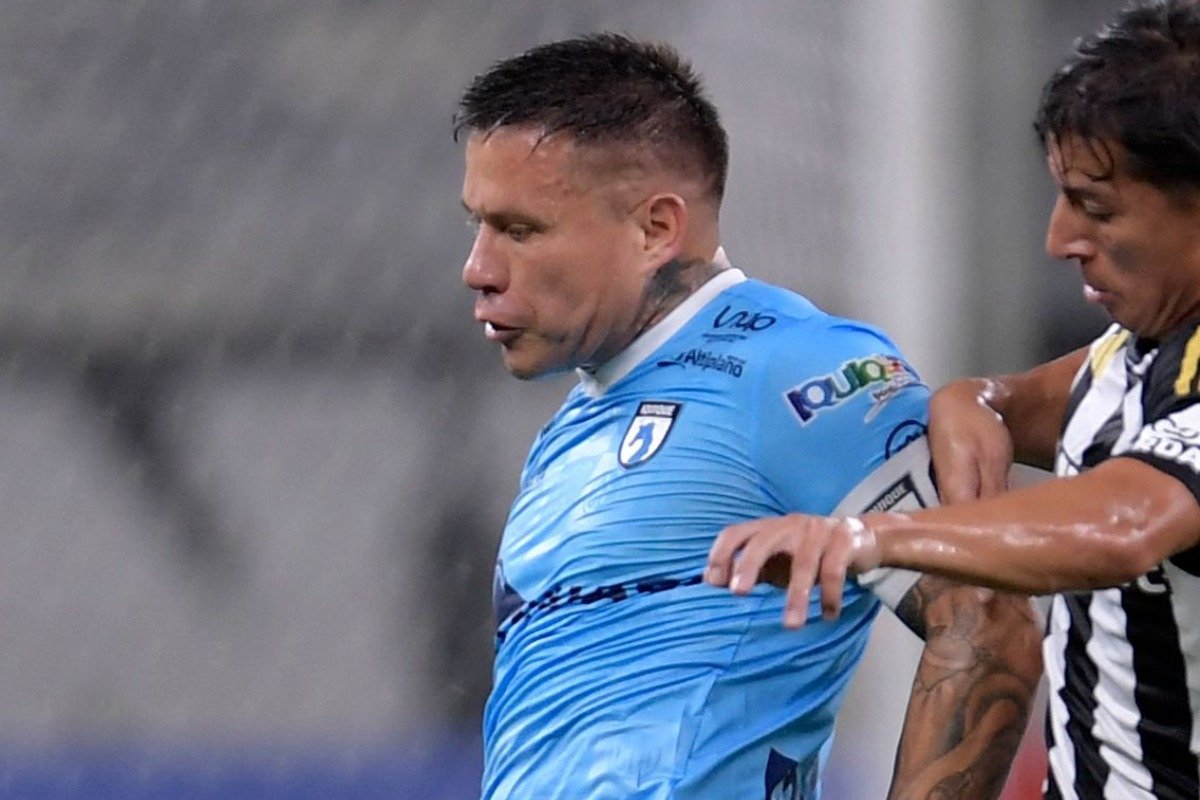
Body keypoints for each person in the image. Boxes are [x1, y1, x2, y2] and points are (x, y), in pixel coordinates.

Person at [456, 32, 1040, 799]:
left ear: (655, 229)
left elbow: (987, 627)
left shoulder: (800, 374)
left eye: (520, 231)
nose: (479, 269)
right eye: (479, 225)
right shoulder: (580, 417)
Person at [705, 2, 1200, 797]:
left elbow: (1126, 523)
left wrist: (865, 538)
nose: (1060, 238)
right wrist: (978, 400)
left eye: (1097, 206)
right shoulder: (1142, 347)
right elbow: (1022, 406)